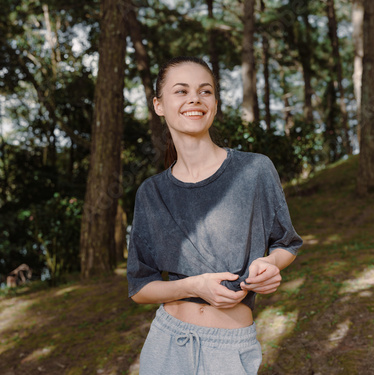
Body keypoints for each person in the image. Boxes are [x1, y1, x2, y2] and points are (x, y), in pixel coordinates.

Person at [126, 56, 302, 375]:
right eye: (181, 91)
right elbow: (140, 287)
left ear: (215, 105)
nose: (195, 98)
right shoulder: (150, 194)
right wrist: (196, 286)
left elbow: (285, 244)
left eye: (205, 91)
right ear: (159, 105)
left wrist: (270, 264)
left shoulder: (254, 170)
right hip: (166, 344)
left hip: (229, 350)